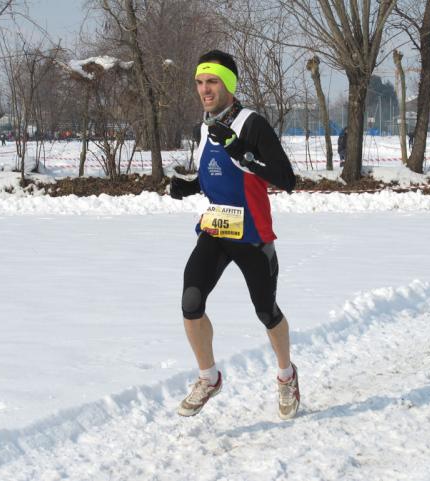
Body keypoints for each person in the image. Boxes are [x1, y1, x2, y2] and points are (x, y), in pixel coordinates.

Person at [170, 50, 300, 420]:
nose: (204, 89)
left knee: (266, 311)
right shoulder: (202, 127)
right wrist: (188, 186)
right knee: (191, 301)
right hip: (215, 228)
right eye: (199, 82)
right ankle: (208, 377)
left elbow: (285, 179)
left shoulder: (251, 124)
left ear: (229, 85)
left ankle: (286, 375)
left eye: (212, 81)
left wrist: (243, 153)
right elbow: (213, 175)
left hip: (253, 234)